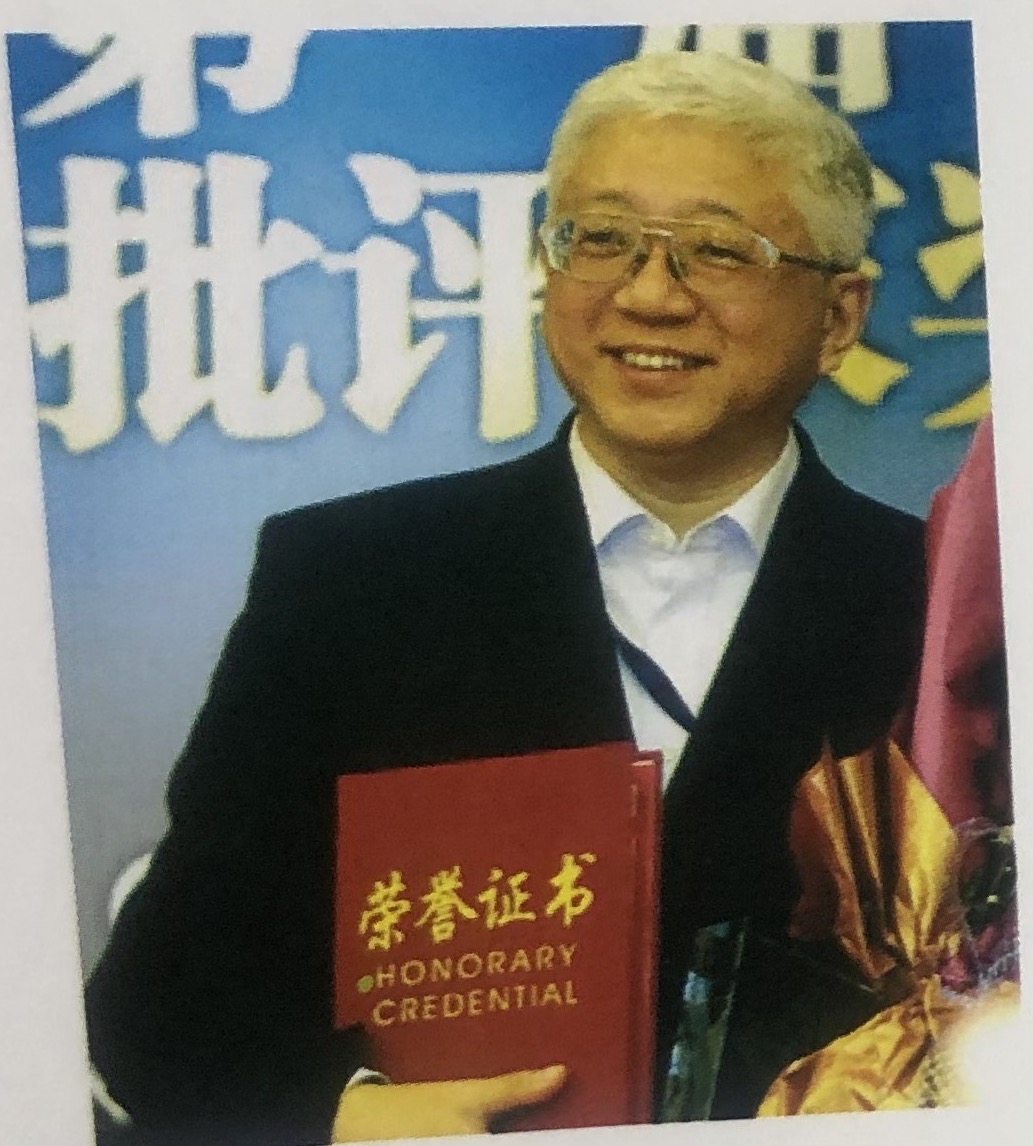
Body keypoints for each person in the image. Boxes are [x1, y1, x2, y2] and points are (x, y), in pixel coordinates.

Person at [85, 51, 926, 1144]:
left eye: (719, 250)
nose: (648, 293)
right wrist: (347, 1116)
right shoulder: (354, 579)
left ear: (839, 314)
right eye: (601, 239)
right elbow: (161, 994)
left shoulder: (941, 602)